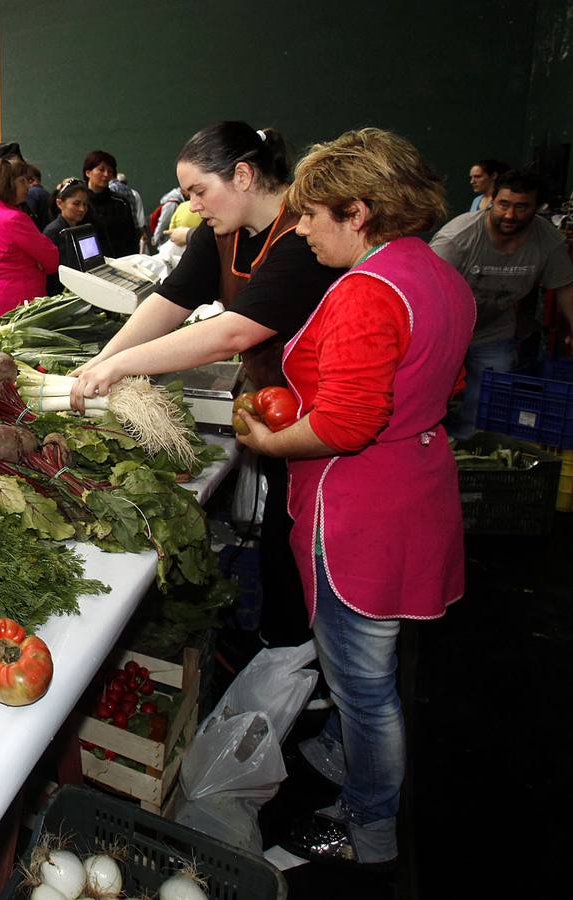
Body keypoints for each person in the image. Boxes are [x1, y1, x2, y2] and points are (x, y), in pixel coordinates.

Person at [236, 127, 474, 868]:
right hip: (418, 484)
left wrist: (269, 442)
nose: (301, 229)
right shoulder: (437, 273)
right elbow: (438, 383)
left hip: (358, 509)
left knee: (364, 684)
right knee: (374, 658)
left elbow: (346, 422)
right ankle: (346, 753)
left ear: (360, 211)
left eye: (312, 216)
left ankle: (367, 827)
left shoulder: (367, 291)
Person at [70, 122, 344, 649]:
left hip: (320, 421)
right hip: (277, 408)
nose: (193, 206)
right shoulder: (221, 233)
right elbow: (170, 300)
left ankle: (302, 663)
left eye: (198, 191)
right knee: (283, 545)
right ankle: (283, 647)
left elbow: (234, 332)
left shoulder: (303, 234)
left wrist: (122, 368)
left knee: (310, 553)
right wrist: (101, 360)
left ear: (242, 175)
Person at [432, 168, 573, 436]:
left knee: (484, 402)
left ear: (537, 207)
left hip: (493, 331)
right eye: (503, 205)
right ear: (491, 200)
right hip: (447, 331)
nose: (510, 215)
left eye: (521, 207)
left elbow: (566, 288)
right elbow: (424, 291)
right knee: (430, 396)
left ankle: (471, 453)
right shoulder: (458, 238)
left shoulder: (549, 243)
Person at [0, 156, 59, 321]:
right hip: (17, 306)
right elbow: (51, 258)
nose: (28, 186)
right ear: (8, 184)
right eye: (22, 181)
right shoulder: (13, 218)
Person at [82, 150, 141, 257]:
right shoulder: (81, 203)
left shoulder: (120, 202)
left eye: (110, 171)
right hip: (89, 263)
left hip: (119, 262)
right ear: (88, 172)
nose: (106, 174)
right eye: (101, 169)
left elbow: (131, 237)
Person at [42, 178, 91, 294]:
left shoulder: (80, 229)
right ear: (60, 203)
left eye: (85, 204)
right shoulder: (53, 232)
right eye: (76, 204)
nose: (82, 209)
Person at [23, 164, 54, 231]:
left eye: (22, 181)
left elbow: (29, 220)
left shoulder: (32, 193)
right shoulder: (45, 193)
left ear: (30, 180)